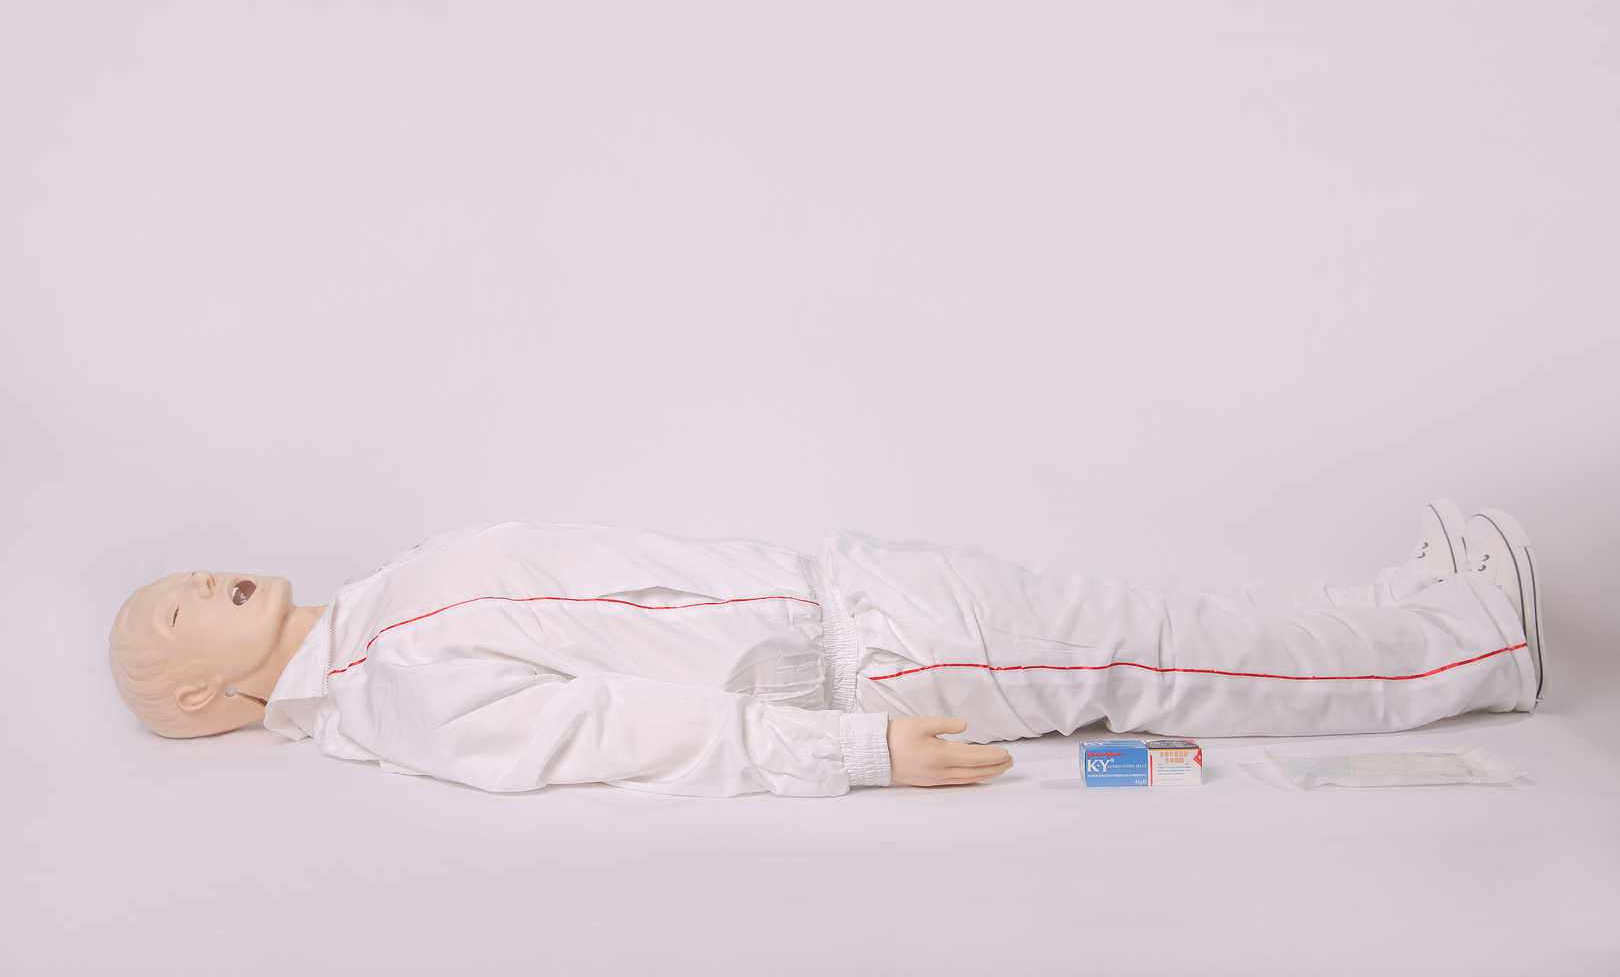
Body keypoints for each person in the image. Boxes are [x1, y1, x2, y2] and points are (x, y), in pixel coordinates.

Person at [106, 501, 1543, 798]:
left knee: (1150, 618)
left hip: (854, 594)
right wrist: (855, 752)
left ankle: (1397, 631)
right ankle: (1462, 651)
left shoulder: (381, 606)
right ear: (207, 696)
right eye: (172, 615)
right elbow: (627, 736)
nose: (191, 581)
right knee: (1154, 650)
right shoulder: (398, 687)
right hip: (874, 664)